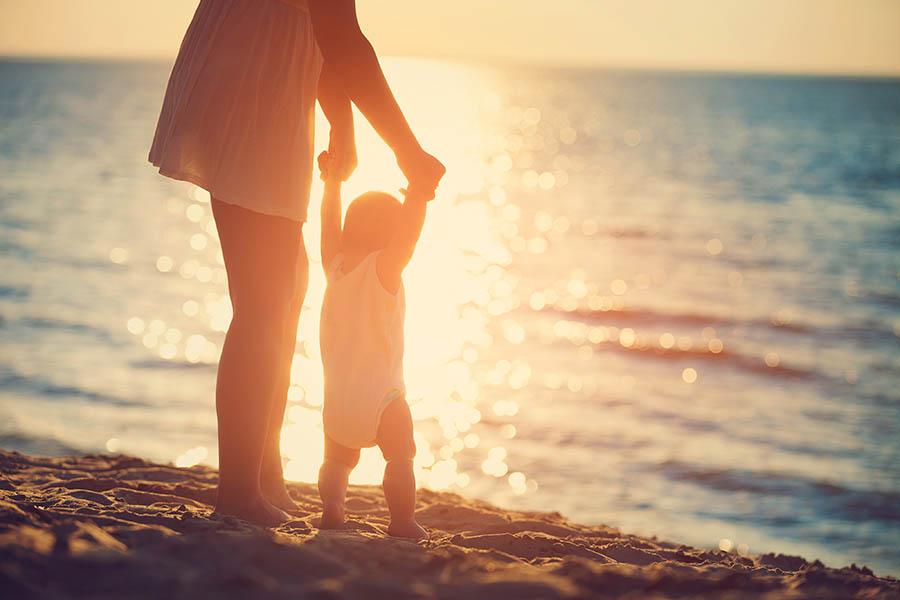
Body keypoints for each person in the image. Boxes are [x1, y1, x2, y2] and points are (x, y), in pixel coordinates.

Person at [148, 0, 445, 526]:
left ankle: (264, 477)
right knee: (263, 304)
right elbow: (340, 35)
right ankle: (238, 494)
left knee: (285, 294)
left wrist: (341, 119)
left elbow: (319, 31)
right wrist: (406, 151)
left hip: (267, 79)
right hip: (253, 83)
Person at [316, 149, 438, 539]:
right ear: (391, 235)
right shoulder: (384, 268)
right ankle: (402, 520)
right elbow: (410, 237)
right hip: (380, 396)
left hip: (338, 398)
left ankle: (333, 509)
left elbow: (327, 226)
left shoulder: (333, 266)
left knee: (336, 462)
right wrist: (416, 198)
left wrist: (332, 183)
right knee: (401, 455)